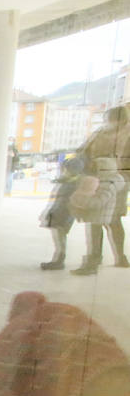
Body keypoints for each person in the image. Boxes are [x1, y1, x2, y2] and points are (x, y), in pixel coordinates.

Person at [69, 105, 130, 275]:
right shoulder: (100, 133)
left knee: (111, 219)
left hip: (116, 180)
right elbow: (82, 151)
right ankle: (97, 258)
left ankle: (114, 257)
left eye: (111, 119)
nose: (108, 123)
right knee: (98, 219)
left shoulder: (124, 134)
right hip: (99, 179)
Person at [68, 155, 128, 276]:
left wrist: (84, 202)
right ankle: (117, 259)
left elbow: (99, 201)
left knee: (94, 240)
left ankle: (92, 265)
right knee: (97, 238)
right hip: (106, 213)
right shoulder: (113, 181)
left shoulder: (107, 183)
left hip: (100, 214)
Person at [38, 153, 82, 270]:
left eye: (65, 169)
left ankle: (58, 260)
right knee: (58, 236)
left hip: (63, 213)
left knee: (60, 237)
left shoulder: (73, 183)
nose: (63, 171)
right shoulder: (67, 181)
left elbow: (65, 200)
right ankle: (57, 259)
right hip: (59, 212)